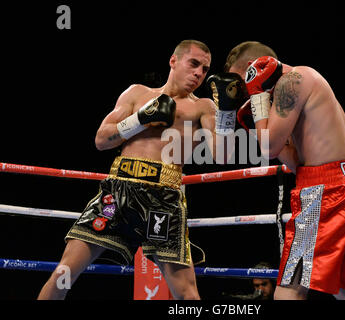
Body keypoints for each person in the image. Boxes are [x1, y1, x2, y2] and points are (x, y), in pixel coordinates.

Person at [38, 40, 217, 300]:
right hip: (116, 194)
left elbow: (222, 153)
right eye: (194, 64)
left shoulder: (203, 106)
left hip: (162, 199)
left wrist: (226, 113)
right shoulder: (137, 94)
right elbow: (101, 140)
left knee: (186, 293)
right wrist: (140, 120)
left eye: (204, 68)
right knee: (63, 273)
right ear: (173, 61)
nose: (199, 73)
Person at [225, 41, 345, 300]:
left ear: (252, 69)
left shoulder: (293, 79)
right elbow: (295, 162)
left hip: (327, 190)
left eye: (240, 81)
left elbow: (268, 147)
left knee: (288, 289)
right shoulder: (291, 89)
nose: (242, 92)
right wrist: (256, 119)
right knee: (343, 289)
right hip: (343, 183)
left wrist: (258, 99)